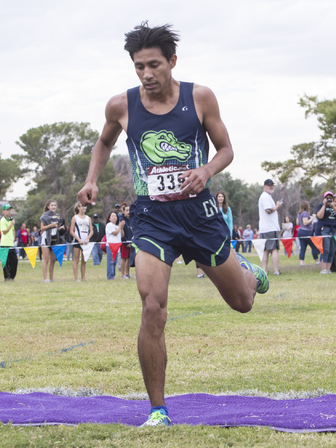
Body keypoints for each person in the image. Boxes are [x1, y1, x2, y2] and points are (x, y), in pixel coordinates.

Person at [76, 22, 267, 427]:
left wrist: (206, 170)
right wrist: (91, 179)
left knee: (242, 303)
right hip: (152, 217)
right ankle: (158, 410)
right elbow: (105, 142)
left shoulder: (200, 97)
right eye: (139, 66)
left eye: (154, 65)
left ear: (172, 61)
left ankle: (247, 273)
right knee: (152, 307)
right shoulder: (121, 106)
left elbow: (227, 149)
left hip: (198, 212)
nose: (146, 74)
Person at [258, 179, 283, 275]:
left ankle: (264, 270)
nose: (271, 187)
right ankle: (276, 271)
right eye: (269, 185)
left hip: (265, 228)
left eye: (272, 185)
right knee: (274, 249)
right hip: (270, 228)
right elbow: (268, 211)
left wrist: (276, 205)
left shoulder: (266, 197)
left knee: (266, 250)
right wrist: (277, 206)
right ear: (265, 186)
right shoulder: (265, 196)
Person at [316, 192, 336, 274]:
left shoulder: (334, 207)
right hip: (325, 229)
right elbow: (319, 216)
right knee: (325, 250)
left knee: (332, 250)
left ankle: (328, 269)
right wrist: (324, 205)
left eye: (331, 197)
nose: (329, 199)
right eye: (327, 197)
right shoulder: (321, 205)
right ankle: (323, 269)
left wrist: (333, 206)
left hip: (334, 229)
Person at [40, 199, 63, 282]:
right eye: (52, 205)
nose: (53, 207)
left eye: (55, 205)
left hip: (54, 239)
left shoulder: (57, 216)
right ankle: (45, 278)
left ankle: (51, 278)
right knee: (46, 259)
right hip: (46, 238)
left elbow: (56, 227)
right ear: (48, 207)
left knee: (53, 259)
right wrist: (51, 225)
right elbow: (42, 228)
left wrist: (60, 228)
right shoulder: (44, 216)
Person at [69, 203, 93, 281]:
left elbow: (91, 231)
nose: (84, 208)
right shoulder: (75, 218)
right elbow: (71, 231)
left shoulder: (88, 218)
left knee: (84, 260)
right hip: (77, 241)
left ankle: (83, 277)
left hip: (85, 242)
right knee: (76, 260)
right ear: (78, 208)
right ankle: (76, 278)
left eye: (85, 206)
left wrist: (87, 239)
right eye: (82, 206)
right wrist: (78, 239)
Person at [296, 201, 318, 266]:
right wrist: (312, 218)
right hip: (306, 232)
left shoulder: (299, 214)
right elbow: (305, 222)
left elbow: (297, 223)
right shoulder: (305, 213)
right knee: (314, 246)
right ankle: (317, 260)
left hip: (300, 231)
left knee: (303, 247)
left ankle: (301, 262)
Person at [0, 204, 17, 281]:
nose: (9, 211)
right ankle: (7, 277)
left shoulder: (10, 219)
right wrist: (11, 225)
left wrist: (13, 237)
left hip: (11, 244)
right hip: (4, 244)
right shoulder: (2, 220)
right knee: (6, 263)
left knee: (14, 261)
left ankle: (12, 276)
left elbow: (13, 230)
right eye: (7, 210)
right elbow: (4, 232)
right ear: (3, 211)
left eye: (9, 210)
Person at [105, 211, 124, 280]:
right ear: (109, 218)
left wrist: (121, 228)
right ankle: (110, 276)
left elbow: (122, 235)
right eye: (112, 216)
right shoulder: (109, 225)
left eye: (115, 216)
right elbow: (115, 233)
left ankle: (113, 274)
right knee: (110, 261)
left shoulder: (117, 226)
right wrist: (120, 227)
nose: (114, 217)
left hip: (117, 244)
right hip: (111, 244)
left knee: (115, 261)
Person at [120, 204, 133, 279]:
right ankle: (122, 274)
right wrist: (125, 241)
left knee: (129, 258)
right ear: (123, 211)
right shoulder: (122, 220)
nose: (128, 212)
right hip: (124, 242)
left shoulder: (131, 219)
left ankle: (127, 273)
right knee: (124, 258)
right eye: (127, 210)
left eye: (129, 210)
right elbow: (122, 232)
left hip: (131, 242)